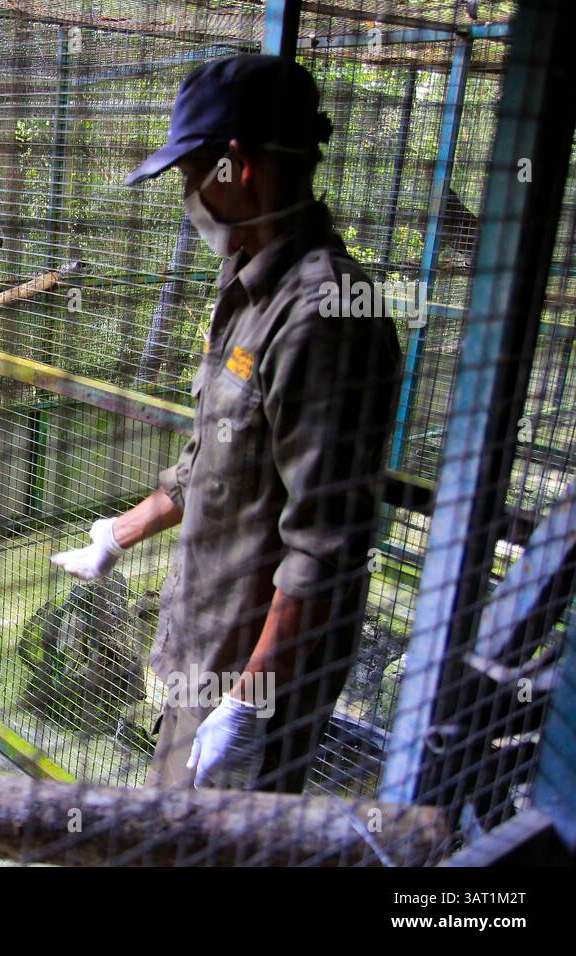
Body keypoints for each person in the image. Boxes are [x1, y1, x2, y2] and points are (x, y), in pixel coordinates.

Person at [51, 54, 402, 793]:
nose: (187, 197)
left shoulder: (322, 313)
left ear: (235, 167)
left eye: (189, 175)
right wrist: (120, 532)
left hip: (248, 674)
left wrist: (246, 707)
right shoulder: (243, 286)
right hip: (199, 644)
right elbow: (218, 455)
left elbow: (326, 548)